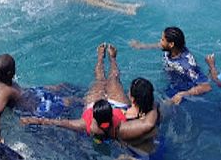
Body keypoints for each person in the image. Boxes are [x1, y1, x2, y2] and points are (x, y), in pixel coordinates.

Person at [20, 43, 160, 147]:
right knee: (114, 78)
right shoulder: (120, 128)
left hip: (100, 106)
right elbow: (148, 124)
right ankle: (112, 58)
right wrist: (152, 103)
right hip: (118, 106)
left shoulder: (85, 124)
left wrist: (34, 120)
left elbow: (60, 122)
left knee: (100, 79)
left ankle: (101, 57)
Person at [0, 53, 68, 143]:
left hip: (31, 93)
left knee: (58, 87)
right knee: (67, 101)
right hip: (36, 109)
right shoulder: (3, 92)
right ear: (11, 73)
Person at [130, 26, 211, 104]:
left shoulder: (186, 66)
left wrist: (182, 94)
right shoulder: (173, 49)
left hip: (181, 88)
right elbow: (161, 45)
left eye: (162, 40)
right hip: (172, 79)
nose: (160, 42)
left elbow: (206, 87)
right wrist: (143, 46)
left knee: (160, 105)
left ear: (171, 44)